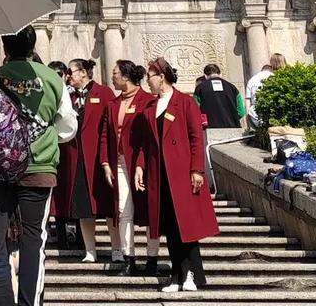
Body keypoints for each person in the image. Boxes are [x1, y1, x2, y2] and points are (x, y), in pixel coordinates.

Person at [0, 27, 64, 306]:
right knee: (33, 238)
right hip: (38, 168)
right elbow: (67, 126)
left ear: (5, 45)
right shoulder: (51, 78)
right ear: (33, 45)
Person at [134, 57, 220, 293]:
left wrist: (197, 169)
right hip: (159, 175)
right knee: (170, 227)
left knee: (187, 226)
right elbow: (145, 143)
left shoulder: (184, 102)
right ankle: (176, 275)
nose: (147, 82)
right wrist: (140, 166)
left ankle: (190, 274)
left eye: (150, 77)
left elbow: (196, 137)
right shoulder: (150, 107)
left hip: (182, 173)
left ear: (161, 77)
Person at [100, 60, 159, 275]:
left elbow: (148, 136)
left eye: (115, 73)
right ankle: (128, 257)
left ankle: (152, 257)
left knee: (151, 209)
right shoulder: (113, 104)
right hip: (120, 162)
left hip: (143, 162)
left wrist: (142, 163)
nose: (112, 76)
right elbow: (105, 134)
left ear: (125, 76)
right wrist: (105, 162)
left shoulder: (148, 101)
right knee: (123, 209)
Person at [58, 57, 115, 265]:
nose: (68, 76)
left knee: (108, 206)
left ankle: (116, 247)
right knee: (82, 207)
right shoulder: (68, 96)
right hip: (77, 157)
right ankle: (90, 249)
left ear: (83, 72)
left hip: (98, 158)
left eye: (71, 71)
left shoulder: (103, 93)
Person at [194, 63, 246, 133]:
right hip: (233, 129)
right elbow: (241, 112)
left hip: (209, 131)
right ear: (220, 74)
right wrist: (232, 118)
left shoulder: (199, 88)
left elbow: (195, 111)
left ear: (205, 76)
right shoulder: (232, 88)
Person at [246, 53, 286, 120]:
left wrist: (247, 117)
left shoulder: (252, 79)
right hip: (273, 114)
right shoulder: (275, 78)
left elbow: (247, 99)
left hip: (254, 114)